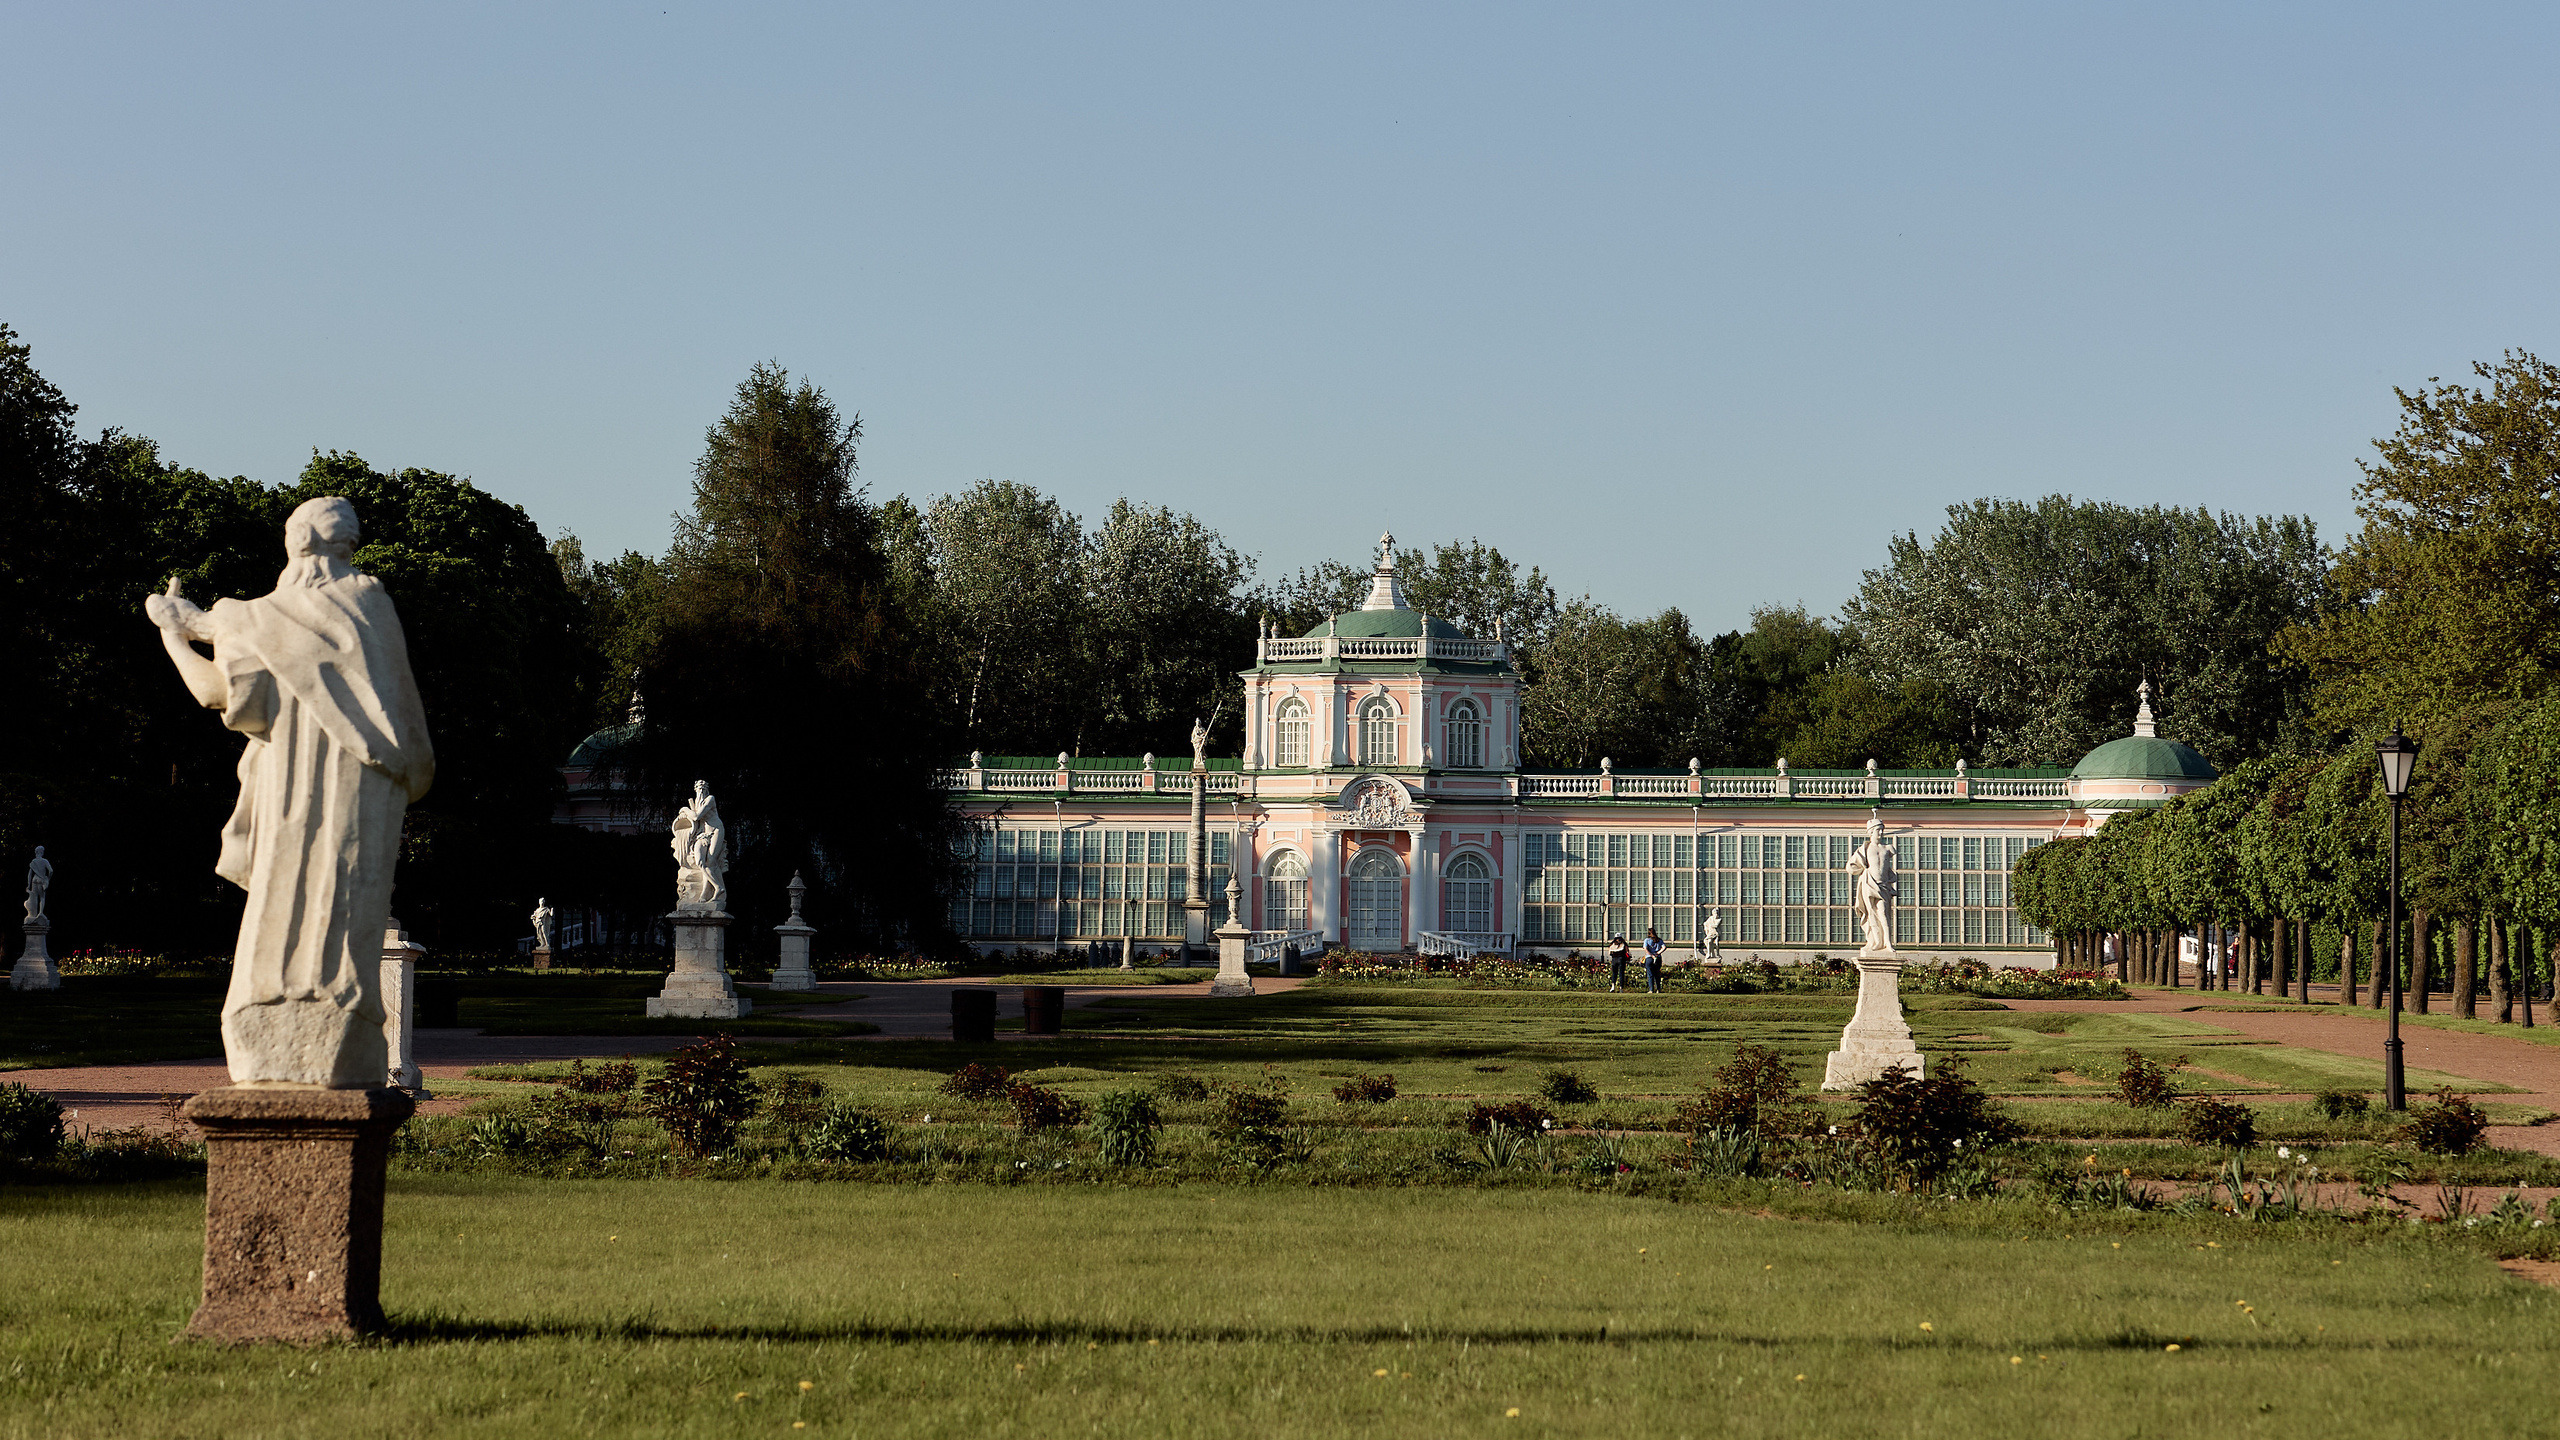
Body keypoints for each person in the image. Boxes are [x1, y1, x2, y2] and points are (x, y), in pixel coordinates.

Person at [1642, 927, 1665, 993]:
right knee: (1657, 974)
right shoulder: (1659, 940)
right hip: (1658, 958)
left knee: (1650, 974)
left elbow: (1645, 949)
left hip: (1649, 958)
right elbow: (1664, 947)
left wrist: (1651, 955)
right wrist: (1657, 953)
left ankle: (1651, 989)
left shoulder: (1647, 940)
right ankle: (1658, 989)